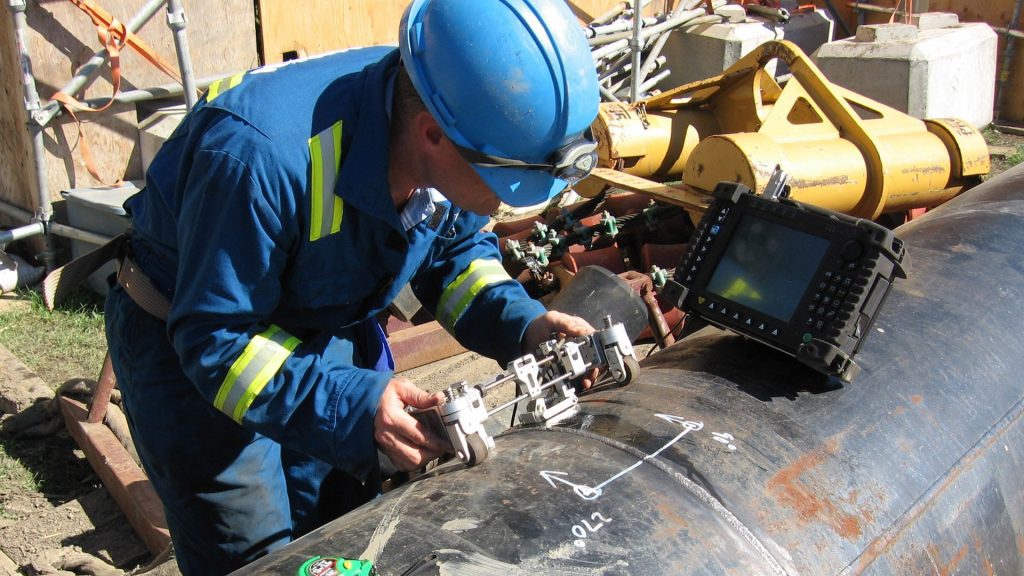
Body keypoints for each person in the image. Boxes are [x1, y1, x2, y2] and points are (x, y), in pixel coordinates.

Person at [102, 0, 601, 573]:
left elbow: (456, 254)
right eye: (503, 180)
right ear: (432, 135)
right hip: (199, 347)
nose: (508, 200)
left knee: (349, 528)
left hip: (320, 318)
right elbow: (215, 339)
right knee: (257, 558)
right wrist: (354, 406)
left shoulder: (447, 108)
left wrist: (526, 324)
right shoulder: (259, 156)